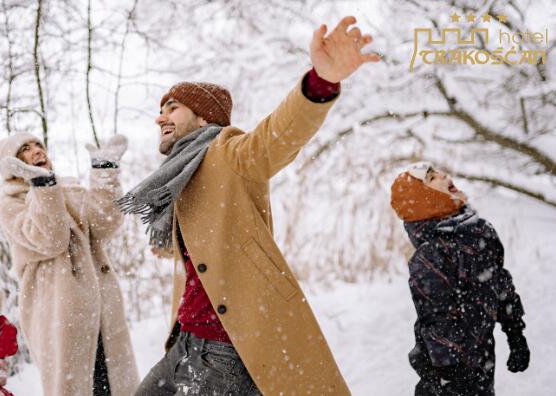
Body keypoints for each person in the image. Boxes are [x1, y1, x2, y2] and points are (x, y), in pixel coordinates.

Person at [118, 16, 379, 396]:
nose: (160, 117)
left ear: (203, 116)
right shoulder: (179, 177)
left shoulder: (226, 151)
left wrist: (320, 82)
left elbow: (273, 140)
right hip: (186, 343)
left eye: (172, 107)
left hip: (225, 348)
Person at [0, 132, 139, 395]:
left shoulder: (66, 187)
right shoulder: (9, 203)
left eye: (39, 145)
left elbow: (105, 223)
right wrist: (42, 187)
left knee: (113, 385)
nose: (37, 151)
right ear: (10, 164)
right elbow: (52, 239)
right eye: (26, 148)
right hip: (58, 310)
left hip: (102, 306)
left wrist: (105, 173)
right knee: (75, 385)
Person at [390, 162, 530, 396]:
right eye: (432, 178)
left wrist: (515, 331)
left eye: (439, 172)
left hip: (481, 357)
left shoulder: (480, 232)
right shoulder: (432, 254)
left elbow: (499, 282)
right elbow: (436, 317)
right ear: (425, 199)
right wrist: (451, 371)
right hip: (445, 369)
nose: (444, 175)